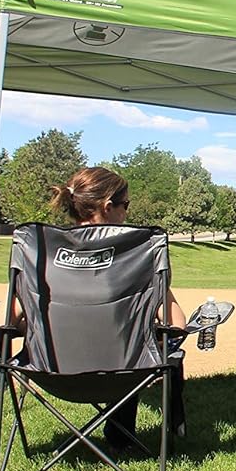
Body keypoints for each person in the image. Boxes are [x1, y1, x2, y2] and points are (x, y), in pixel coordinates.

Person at [46, 166, 192, 446]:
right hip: (123, 374)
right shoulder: (136, 254)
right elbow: (177, 323)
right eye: (125, 205)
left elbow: (0, 324)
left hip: (51, 372)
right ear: (108, 207)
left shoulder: (41, 251)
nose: (127, 212)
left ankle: (119, 437)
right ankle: (123, 437)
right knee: (135, 342)